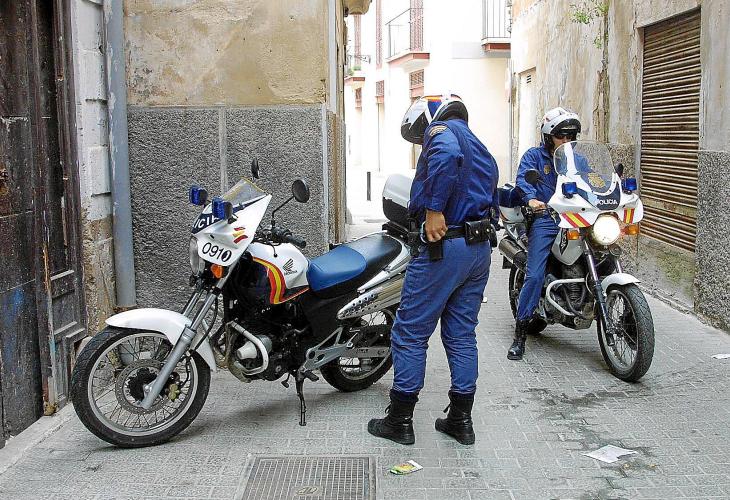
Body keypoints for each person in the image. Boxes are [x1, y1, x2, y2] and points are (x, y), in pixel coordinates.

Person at [367, 94, 500, 446]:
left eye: (419, 135)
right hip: (478, 250)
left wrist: (434, 209)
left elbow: (445, 156)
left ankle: (399, 421)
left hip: (445, 249)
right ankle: (460, 421)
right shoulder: (478, 143)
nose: (421, 141)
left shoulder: (442, 132)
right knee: (461, 334)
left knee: (409, 332)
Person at [507, 107, 582, 361]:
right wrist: (531, 199)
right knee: (535, 274)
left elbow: (593, 181)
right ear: (549, 136)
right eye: (561, 136)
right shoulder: (534, 156)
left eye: (571, 136)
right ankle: (520, 333)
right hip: (547, 218)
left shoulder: (577, 161)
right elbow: (523, 180)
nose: (566, 141)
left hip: (576, 220)